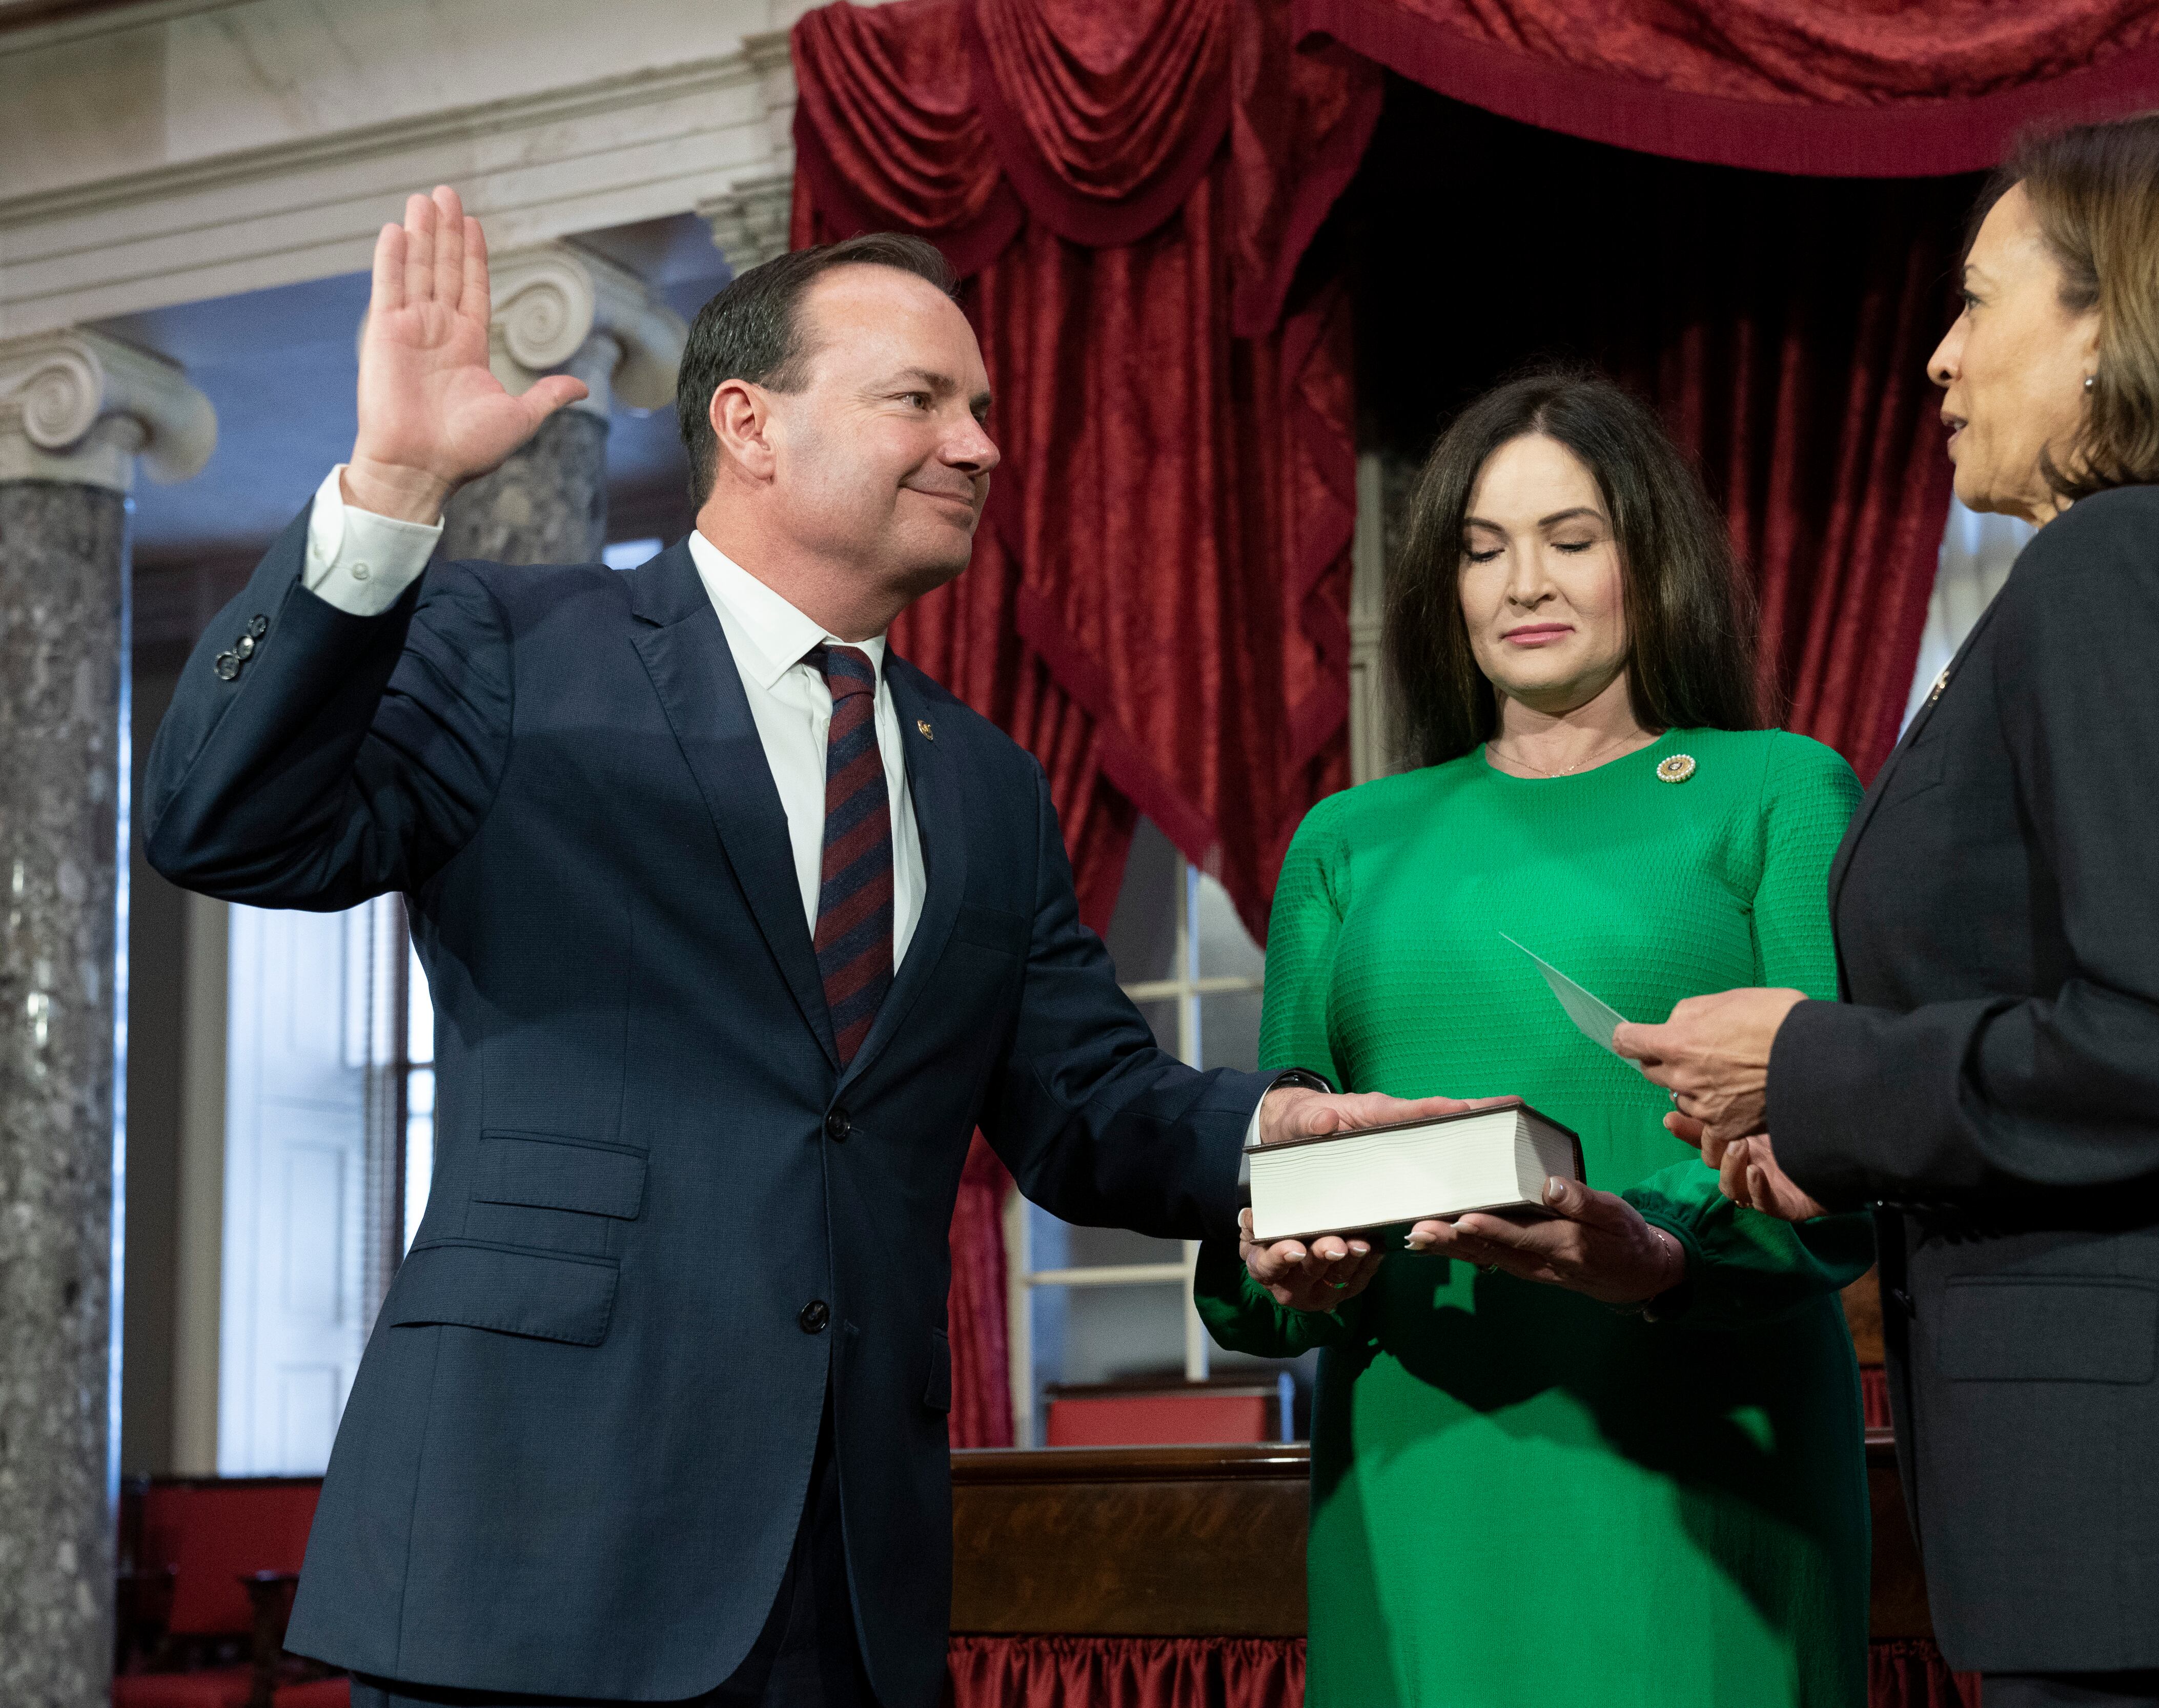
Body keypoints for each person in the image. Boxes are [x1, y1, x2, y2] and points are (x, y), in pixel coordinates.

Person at [142, 187, 1474, 1708]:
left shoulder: (982, 776)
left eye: (981, 408)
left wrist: (1277, 1128)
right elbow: (217, 825)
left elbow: (1087, 1106)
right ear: (751, 424)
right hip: (527, 1557)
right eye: (922, 398)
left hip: (846, 1589)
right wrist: (388, 488)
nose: (981, 445)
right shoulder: (507, 647)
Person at [1614, 109, 2159, 1708]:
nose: (1940, 361)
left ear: (2117, 324)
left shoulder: (2130, 565)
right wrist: (1843, 1153)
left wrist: (1815, 1067)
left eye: (1978, 301)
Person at [1196, 373, 1876, 1707]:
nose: (1524, 582)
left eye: (1571, 537)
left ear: (1651, 552)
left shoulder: (1781, 787)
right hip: (1418, 1453)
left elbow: (1840, 1149)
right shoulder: (1347, 840)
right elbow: (1278, 1153)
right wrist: (1286, 1260)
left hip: (1700, 1445)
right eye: (1482, 546)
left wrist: (1663, 1252)